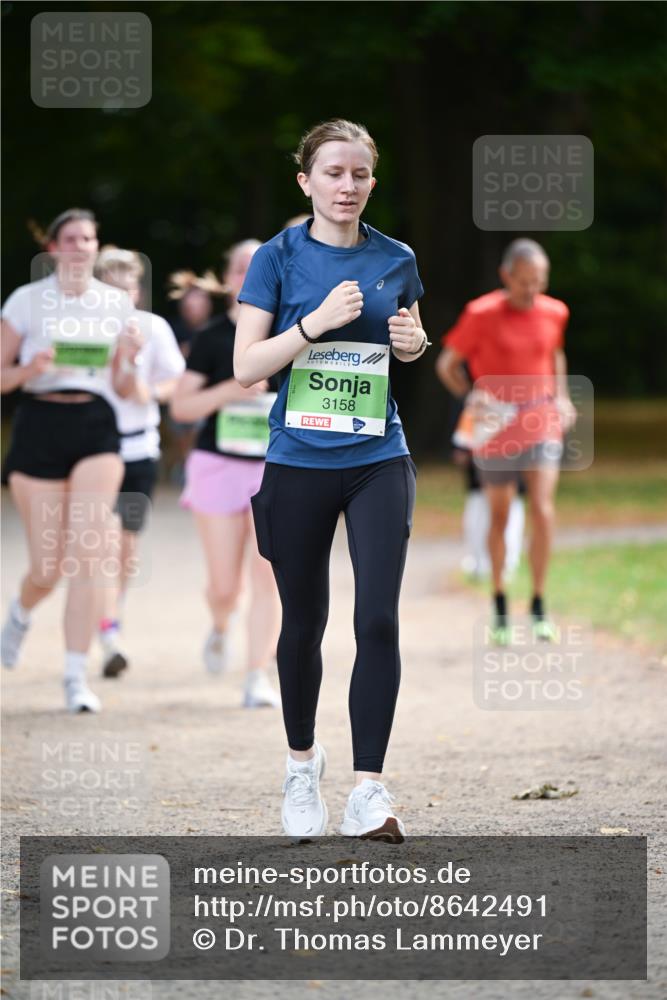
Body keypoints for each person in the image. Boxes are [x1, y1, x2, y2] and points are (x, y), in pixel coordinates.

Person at [234, 118, 429, 842]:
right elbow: (246, 368)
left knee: (376, 617)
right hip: (296, 459)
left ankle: (368, 791)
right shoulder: (275, 258)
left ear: (372, 181)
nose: (346, 186)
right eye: (333, 173)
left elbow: (408, 338)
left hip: (378, 455)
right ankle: (299, 763)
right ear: (305, 182)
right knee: (303, 624)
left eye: (358, 174)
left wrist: (414, 342)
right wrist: (312, 325)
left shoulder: (396, 258)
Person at [0, 208, 142, 711]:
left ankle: (75, 677)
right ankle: (19, 611)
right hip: (39, 423)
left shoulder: (116, 304)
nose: (82, 246)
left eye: (90, 238)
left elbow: (125, 387)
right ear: (55, 248)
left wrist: (127, 358)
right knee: (48, 566)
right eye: (72, 238)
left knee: (87, 552)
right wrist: (29, 368)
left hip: (96, 426)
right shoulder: (26, 301)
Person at [436, 239, 576, 644]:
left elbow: (555, 354)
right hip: (494, 425)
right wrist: (472, 396)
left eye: (539, 282)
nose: (532, 291)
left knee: (544, 511)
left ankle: (537, 602)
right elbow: (447, 364)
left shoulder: (555, 312)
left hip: (540, 421)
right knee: (499, 516)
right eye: (524, 282)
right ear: (506, 276)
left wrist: (562, 397)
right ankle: (499, 602)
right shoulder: (481, 314)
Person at [170, 244, 281, 708]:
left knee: (269, 576)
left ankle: (256, 675)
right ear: (229, 277)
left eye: (257, 267)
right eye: (240, 267)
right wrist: (229, 389)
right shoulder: (214, 337)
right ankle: (219, 626)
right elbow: (181, 407)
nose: (247, 274)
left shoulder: (291, 332)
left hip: (274, 468)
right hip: (217, 465)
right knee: (224, 587)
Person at [94, 245, 185, 677]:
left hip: (139, 450)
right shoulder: (82, 329)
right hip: (91, 449)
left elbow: (174, 381)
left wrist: (152, 393)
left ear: (137, 290)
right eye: (110, 288)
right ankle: (106, 630)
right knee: (104, 541)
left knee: (126, 548)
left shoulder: (154, 328)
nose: (122, 296)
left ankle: (114, 616)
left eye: (128, 287)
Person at [164, 274, 217, 484]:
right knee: (179, 425)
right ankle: (186, 460)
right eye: (190, 300)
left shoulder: (215, 329)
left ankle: (191, 462)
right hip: (176, 392)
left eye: (200, 300)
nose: (195, 304)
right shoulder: (173, 329)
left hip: (207, 393)